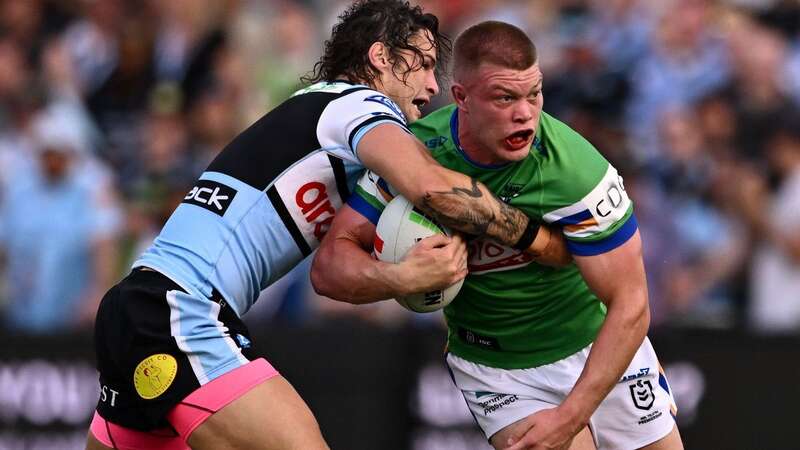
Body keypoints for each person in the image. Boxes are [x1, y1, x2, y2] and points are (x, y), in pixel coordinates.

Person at [86, 2, 552, 450]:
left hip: (134, 308)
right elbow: (434, 188)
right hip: (181, 311)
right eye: (425, 63)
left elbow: (328, 275)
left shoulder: (317, 113)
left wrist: (398, 278)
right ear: (380, 57)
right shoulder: (355, 106)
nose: (434, 84)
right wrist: (537, 238)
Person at [312, 21, 684, 450]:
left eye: (534, 94)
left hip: (598, 347)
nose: (525, 112)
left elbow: (632, 304)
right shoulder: (413, 157)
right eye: (505, 97)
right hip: (500, 369)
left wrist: (570, 416)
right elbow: (328, 269)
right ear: (461, 98)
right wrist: (403, 278)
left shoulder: (576, 171)